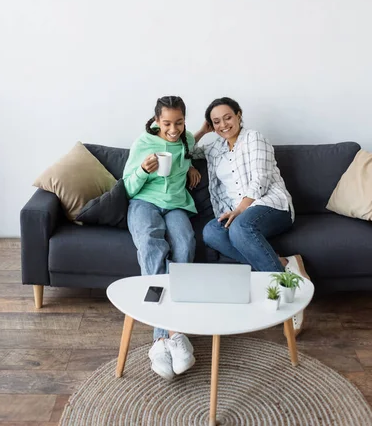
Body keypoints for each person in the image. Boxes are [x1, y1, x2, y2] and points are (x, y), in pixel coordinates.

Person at [194, 97, 310, 335]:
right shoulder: (214, 148)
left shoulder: (255, 138)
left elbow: (261, 180)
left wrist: (239, 210)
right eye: (216, 121)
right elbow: (186, 150)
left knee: (240, 228)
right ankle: (283, 264)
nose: (223, 125)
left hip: (271, 205)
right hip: (237, 212)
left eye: (228, 117)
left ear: (238, 115)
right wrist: (203, 131)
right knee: (210, 232)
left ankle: (289, 297)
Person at [123, 95, 201, 380]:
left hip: (177, 204)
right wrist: (144, 170)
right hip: (144, 202)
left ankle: (171, 334)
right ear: (156, 120)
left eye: (179, 122)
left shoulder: (187, 139)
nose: (173, 129)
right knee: (152, 246)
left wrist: (191, 167)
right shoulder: (143, 143)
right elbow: (128, 187)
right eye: (167, 123)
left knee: (185, 244)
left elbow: (189, 151)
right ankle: (162, 337)